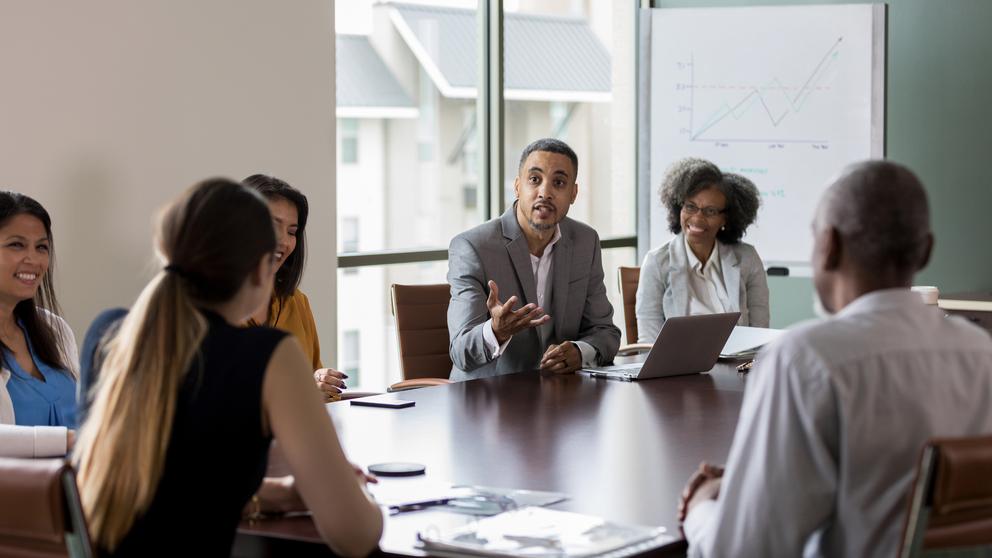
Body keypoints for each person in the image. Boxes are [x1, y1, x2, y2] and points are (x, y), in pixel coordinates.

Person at [678, 161, 992, 557]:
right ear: (926, 250)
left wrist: (702, 507)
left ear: (828, 245)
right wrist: (748, 485)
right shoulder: (982, 353)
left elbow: (741, 552)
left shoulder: (807, 359)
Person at [73, 179, 382, 557]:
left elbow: (172, 484)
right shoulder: (268, 355)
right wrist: (362, 493)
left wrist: (277, 496)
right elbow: (356, 536)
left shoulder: (107, 333)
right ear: (261, 268)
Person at [447, 138, 620, 381]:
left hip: (559, 399)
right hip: (486, 401)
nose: (545, 192)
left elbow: (606, 333)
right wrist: (496, 332)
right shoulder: (473, 247)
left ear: (573, 194)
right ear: (518, 187)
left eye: (559, 183)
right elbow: (461, 352)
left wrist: (579, 352)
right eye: (535, 180)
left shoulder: (585, 242)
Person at [636, 158, 768, 343]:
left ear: (726, 219)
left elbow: (760, 335)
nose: (697, 218)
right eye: (690, 206)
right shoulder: (657, 262)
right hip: (678, 367)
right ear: (678, 207)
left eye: (711, 211)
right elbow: (649, 343)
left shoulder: (747, 258)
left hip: (737, 368)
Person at [243, 174, 347, 402]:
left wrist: (320, 382)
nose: (283, 240)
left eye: (292, 232)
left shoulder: (296, 303)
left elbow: (318, 394)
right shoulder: (208, 309)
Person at [0, 191, 79, 458]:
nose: (33, 260)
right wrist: (65, 440)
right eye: (16, 245)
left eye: (41, 247)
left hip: (72, 494)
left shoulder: (55, 330)